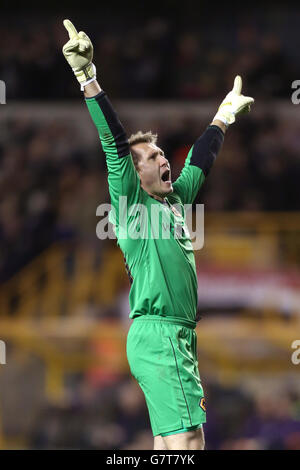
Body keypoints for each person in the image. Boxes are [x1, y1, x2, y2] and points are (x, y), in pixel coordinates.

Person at [62, 19, 254, 450]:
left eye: (162, 152)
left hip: (175, 334)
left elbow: (200, 163)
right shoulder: (132, 203)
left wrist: (222, 117)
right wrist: (87, 78)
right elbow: (113, 143)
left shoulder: (174, 202)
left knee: (170, 442)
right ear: (136, 173)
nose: (163, 158)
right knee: (189, 440)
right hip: (161, 332)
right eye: (151, 157)